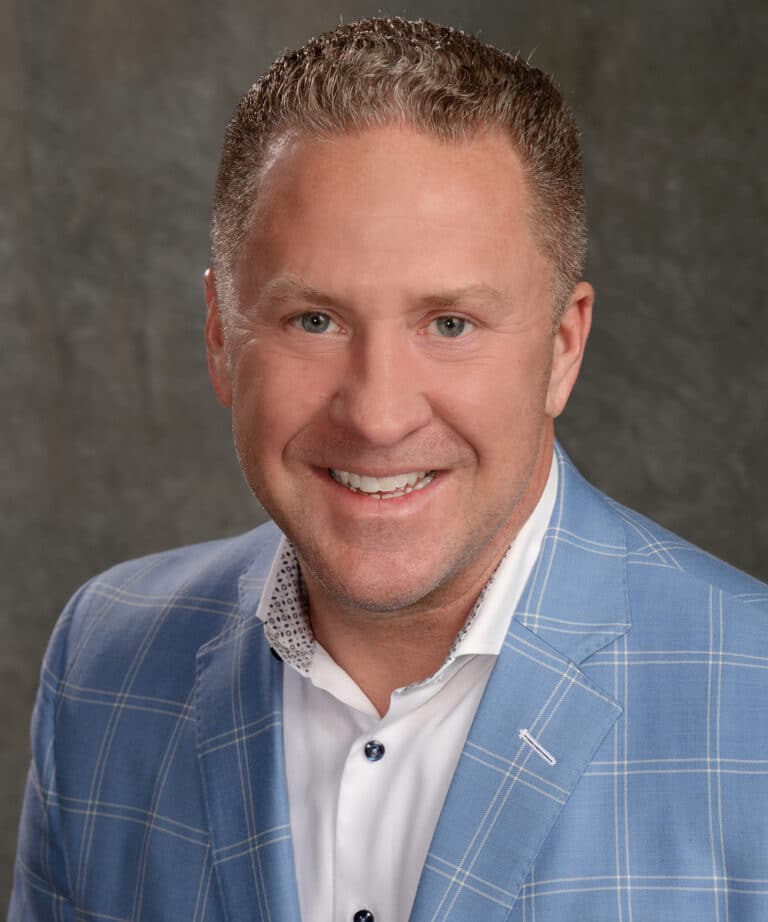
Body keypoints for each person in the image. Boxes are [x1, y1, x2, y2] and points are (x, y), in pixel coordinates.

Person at [10, 16, 768, 922]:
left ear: (562, 349)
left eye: (449, 324)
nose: (377, 415)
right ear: (221, 337)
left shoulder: (754, 702)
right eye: (314, 320)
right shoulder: (106, 665)